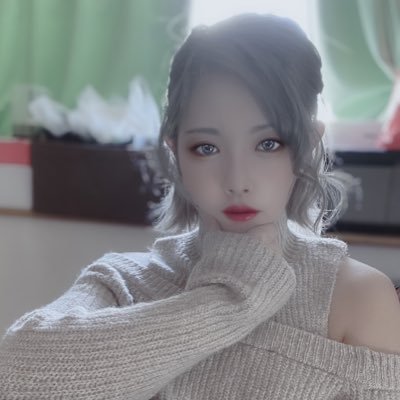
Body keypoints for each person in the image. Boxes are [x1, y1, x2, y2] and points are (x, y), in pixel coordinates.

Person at [1, 13, 400, 400]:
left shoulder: (357, 297)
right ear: (175, 151)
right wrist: (232, 301)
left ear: (309, 143)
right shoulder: (123, 282)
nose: (237, 180)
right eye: (206, 148)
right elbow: (14, 379)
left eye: (268, 143)